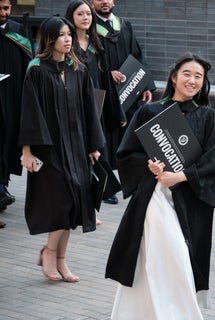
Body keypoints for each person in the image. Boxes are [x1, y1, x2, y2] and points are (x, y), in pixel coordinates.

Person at [105, 52, 215, 318]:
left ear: (203, 83)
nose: (192, 80)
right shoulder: (151, 111)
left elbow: (210, 162)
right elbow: (127, 153)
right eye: (187, 74)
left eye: (198, 77)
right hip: (155, 195)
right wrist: (150, 165)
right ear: (174, 77)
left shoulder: (208, 117)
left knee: (180, 257)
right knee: (161, 255)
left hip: (190, 197)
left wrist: (179, 176)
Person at [18, 16, 105, 282]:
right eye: (61, 35)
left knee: (75, 202)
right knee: (62, 202)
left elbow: (89, 109)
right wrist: (27, 152)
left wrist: (93, 145)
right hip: (49, 149)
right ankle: (50, 253)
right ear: (49, 38)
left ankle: (60, 260)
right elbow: (29, 114)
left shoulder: (78, 69)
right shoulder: (37, 70)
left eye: (69, 34)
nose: (68, 39)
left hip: (77, 146)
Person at [90, 0, 156, 206]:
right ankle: (106, 186)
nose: (104, 2)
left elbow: (137, 55)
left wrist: (145, 84)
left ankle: (135, 182)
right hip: (105, 91)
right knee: (105, 138)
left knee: (132, 137)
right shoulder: (89, 26)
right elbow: (87, 59)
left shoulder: (124, 24)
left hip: (129, 91)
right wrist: (107, 73)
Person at [65, 0, 123, 222]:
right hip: (74, 107)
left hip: (95, 106)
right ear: (71, 17)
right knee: (79, 156)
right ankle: (82, 205)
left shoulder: (95, 43)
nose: (86, 18)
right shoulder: (67, 45)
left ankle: (89, 204)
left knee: (94, 153)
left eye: (88, 14)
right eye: (80, 14)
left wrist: (118, 113)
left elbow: (106, 78)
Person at [0, 0, 33, 216]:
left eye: (6, 8)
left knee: (7, 140)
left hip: (11, 97)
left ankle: (3, 184)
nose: (3, 13)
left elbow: (27, 64)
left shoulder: (18, 31)